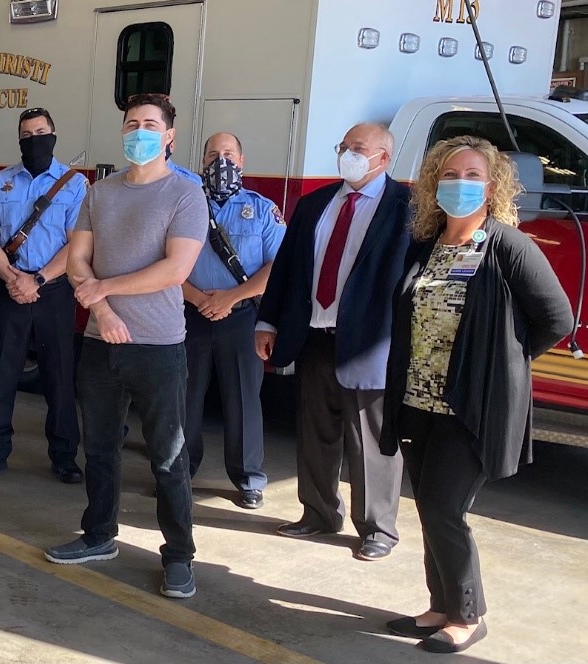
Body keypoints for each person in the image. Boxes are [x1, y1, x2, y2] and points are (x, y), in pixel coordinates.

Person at [379, 136, 572, 654]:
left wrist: (502, 361)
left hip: (473, 405)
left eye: (472, 176)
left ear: (492, 187)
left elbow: (557, 319)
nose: (459, 185)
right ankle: (441, 605)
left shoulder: (508, 245)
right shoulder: (428, 245)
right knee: (427, 507)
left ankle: (469, 615)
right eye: (449, 175)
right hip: (420, 401)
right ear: (432, 185)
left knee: (446, 508)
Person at [42, 93, 206, 600]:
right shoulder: (99, 192)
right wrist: (103, 313)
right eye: (132, 123)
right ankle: (98, 536)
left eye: (150, 124)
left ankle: (179, 556)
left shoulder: (185, 195)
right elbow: (78, 259)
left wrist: (105, 290)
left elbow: (175, 271)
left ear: (169, 136)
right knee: (101, 449)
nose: (140, 131)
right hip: (100, 342)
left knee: (168, 458)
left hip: (158, 347)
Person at [256, 123, 410, 561]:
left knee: (371, 441)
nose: (348, 155)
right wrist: (267, 323)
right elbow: (286, 270)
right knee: (315, 432)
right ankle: (319, 513)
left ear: (383, 157)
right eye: (344, 147)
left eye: (358, 149)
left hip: (370, 343)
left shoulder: (407, 208)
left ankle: (377, 527)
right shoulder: (316, 204)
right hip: (315, 337)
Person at [0, 107, 86, 483]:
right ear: (19, 139)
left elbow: (78, 245)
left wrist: (37, 279)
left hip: (53, 291)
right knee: (2, 375)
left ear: (53, 136)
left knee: (59, 378)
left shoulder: (74, 185)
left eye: (40, 131)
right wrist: (11, 277)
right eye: (26, 133)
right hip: (8, 290)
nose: (34, 138)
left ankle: (65, 455)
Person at [181, 132, 285, 509]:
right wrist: (197, 298)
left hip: (241, 317)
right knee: (184, 398)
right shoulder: (185, 205)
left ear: (241, 160)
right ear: (201, 163)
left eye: (227, 154)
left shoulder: (262, 209)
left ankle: (248, 478)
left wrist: (230, 298)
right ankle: (179, 471)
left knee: (243, 399)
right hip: (190, 314)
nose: (220, 161)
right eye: (212, 155)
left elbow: (279, 265)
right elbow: (166, 261)